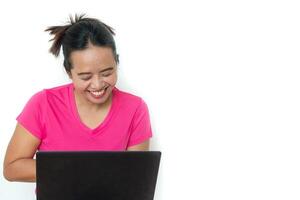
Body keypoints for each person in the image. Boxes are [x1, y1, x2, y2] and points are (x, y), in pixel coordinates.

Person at [3, 14, 153, 182]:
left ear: (117, 63)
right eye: (85, 77)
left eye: (107, 73)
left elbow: (136, 176)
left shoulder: (135, 108)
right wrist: (78, 169)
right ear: (69, 72)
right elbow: (12, 168)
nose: (97, 85)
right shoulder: (43, 104)